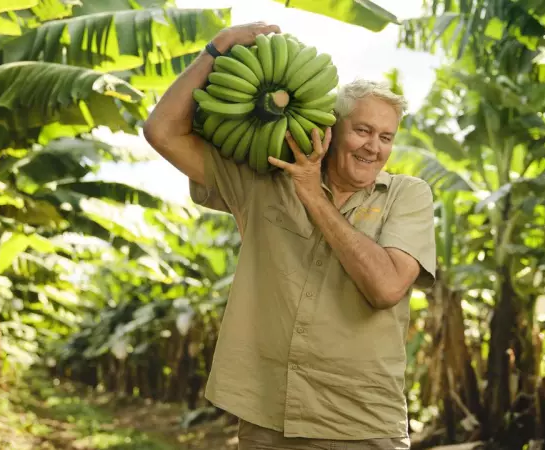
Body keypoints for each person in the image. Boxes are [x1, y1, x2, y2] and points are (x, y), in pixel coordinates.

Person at [143, 21, 436, 450]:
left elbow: (386, 288)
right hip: (268, 419)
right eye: (362, 131)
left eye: (386, 137)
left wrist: (313, 196)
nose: (373, 147)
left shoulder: (407, 196)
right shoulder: (263, 180)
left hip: (362, 423)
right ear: (330, 128)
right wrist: (218, 47)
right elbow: (162, 132)